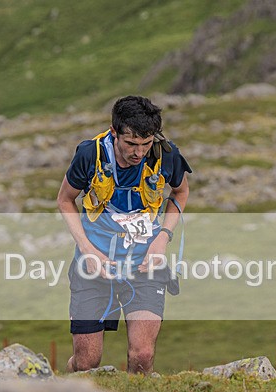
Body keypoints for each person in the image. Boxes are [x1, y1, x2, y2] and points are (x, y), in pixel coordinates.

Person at [57, 95, 191, 374]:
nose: (139, 153)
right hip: (94, 265)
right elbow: (65, 200)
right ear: (114, 132)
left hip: (144, 263)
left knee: (142, 356)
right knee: (86, 363)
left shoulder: (166, 154)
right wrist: (87, 250)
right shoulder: (89, 154)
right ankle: (60, 385)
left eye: (146, 144)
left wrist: (162, 238)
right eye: (131, 144)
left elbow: (181, 191)